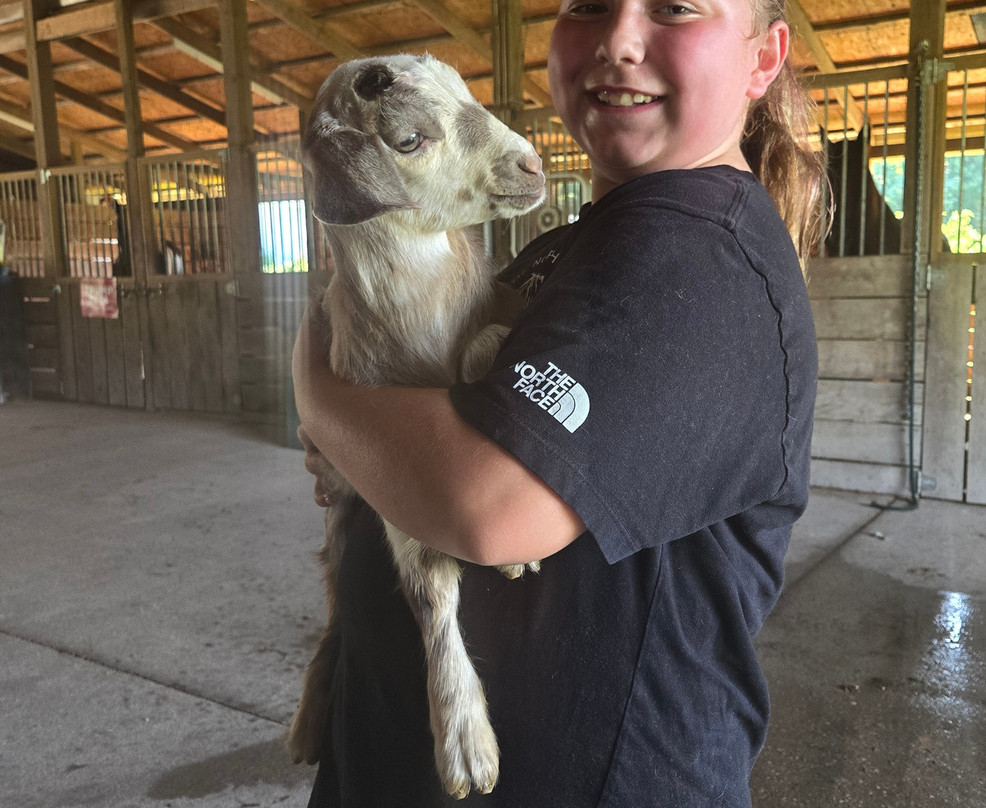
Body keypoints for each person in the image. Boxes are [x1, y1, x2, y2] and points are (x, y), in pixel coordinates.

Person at [292, 0, 826, 804]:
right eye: (587, 5)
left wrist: (319, 392)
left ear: (762, 58)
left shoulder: (698, 259)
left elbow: (484, 506)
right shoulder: (589, 240)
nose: (617, 39)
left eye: (675, 7)